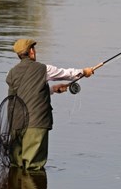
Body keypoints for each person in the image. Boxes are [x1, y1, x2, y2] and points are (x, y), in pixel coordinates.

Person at [6, 38, 94, 170]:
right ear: (31, 51)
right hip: (36, 124)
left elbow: (22, 93)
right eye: (34, 48)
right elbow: (66, 74)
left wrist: (53, 90)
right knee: (33, 167)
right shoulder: (43, 69)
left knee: (16, 166)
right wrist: (84, 72)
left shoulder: (12, 73)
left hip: (15, 124)